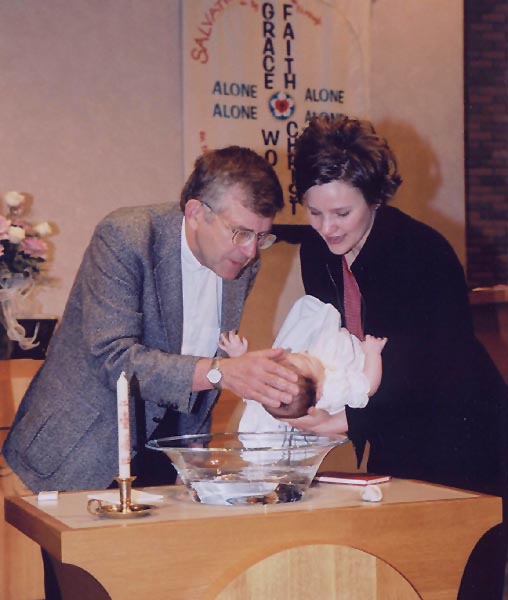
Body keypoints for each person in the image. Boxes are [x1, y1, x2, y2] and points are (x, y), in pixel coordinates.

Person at [273, 114, 508, 599]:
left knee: (461, 577)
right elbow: (336, 343)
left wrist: (348, 421)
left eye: (342, 213)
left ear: (375, 197)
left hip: (465, 436)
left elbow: (436, 367)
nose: (327, 228)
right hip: (394, 434)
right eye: (315, 213)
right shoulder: (317, 251)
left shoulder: (422, 252)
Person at [3, 145, 300, 495]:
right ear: (196, 213)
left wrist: (193, 452)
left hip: (163, 455)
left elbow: (204, 357)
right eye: (241, 233)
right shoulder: (125, 236)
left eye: (261, 237)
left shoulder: (241, 264)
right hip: (78, 452)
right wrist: (223, 372)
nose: (250, 251)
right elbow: (114, 359)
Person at [218, 295, 386, 433]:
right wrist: (373, 353)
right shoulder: (334, 389)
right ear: (319, 390)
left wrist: (238, 355)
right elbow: (368, 386)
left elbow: (253, 389)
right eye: (306, 359)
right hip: (357, 355)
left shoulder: (278, 395)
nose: (303, 353)